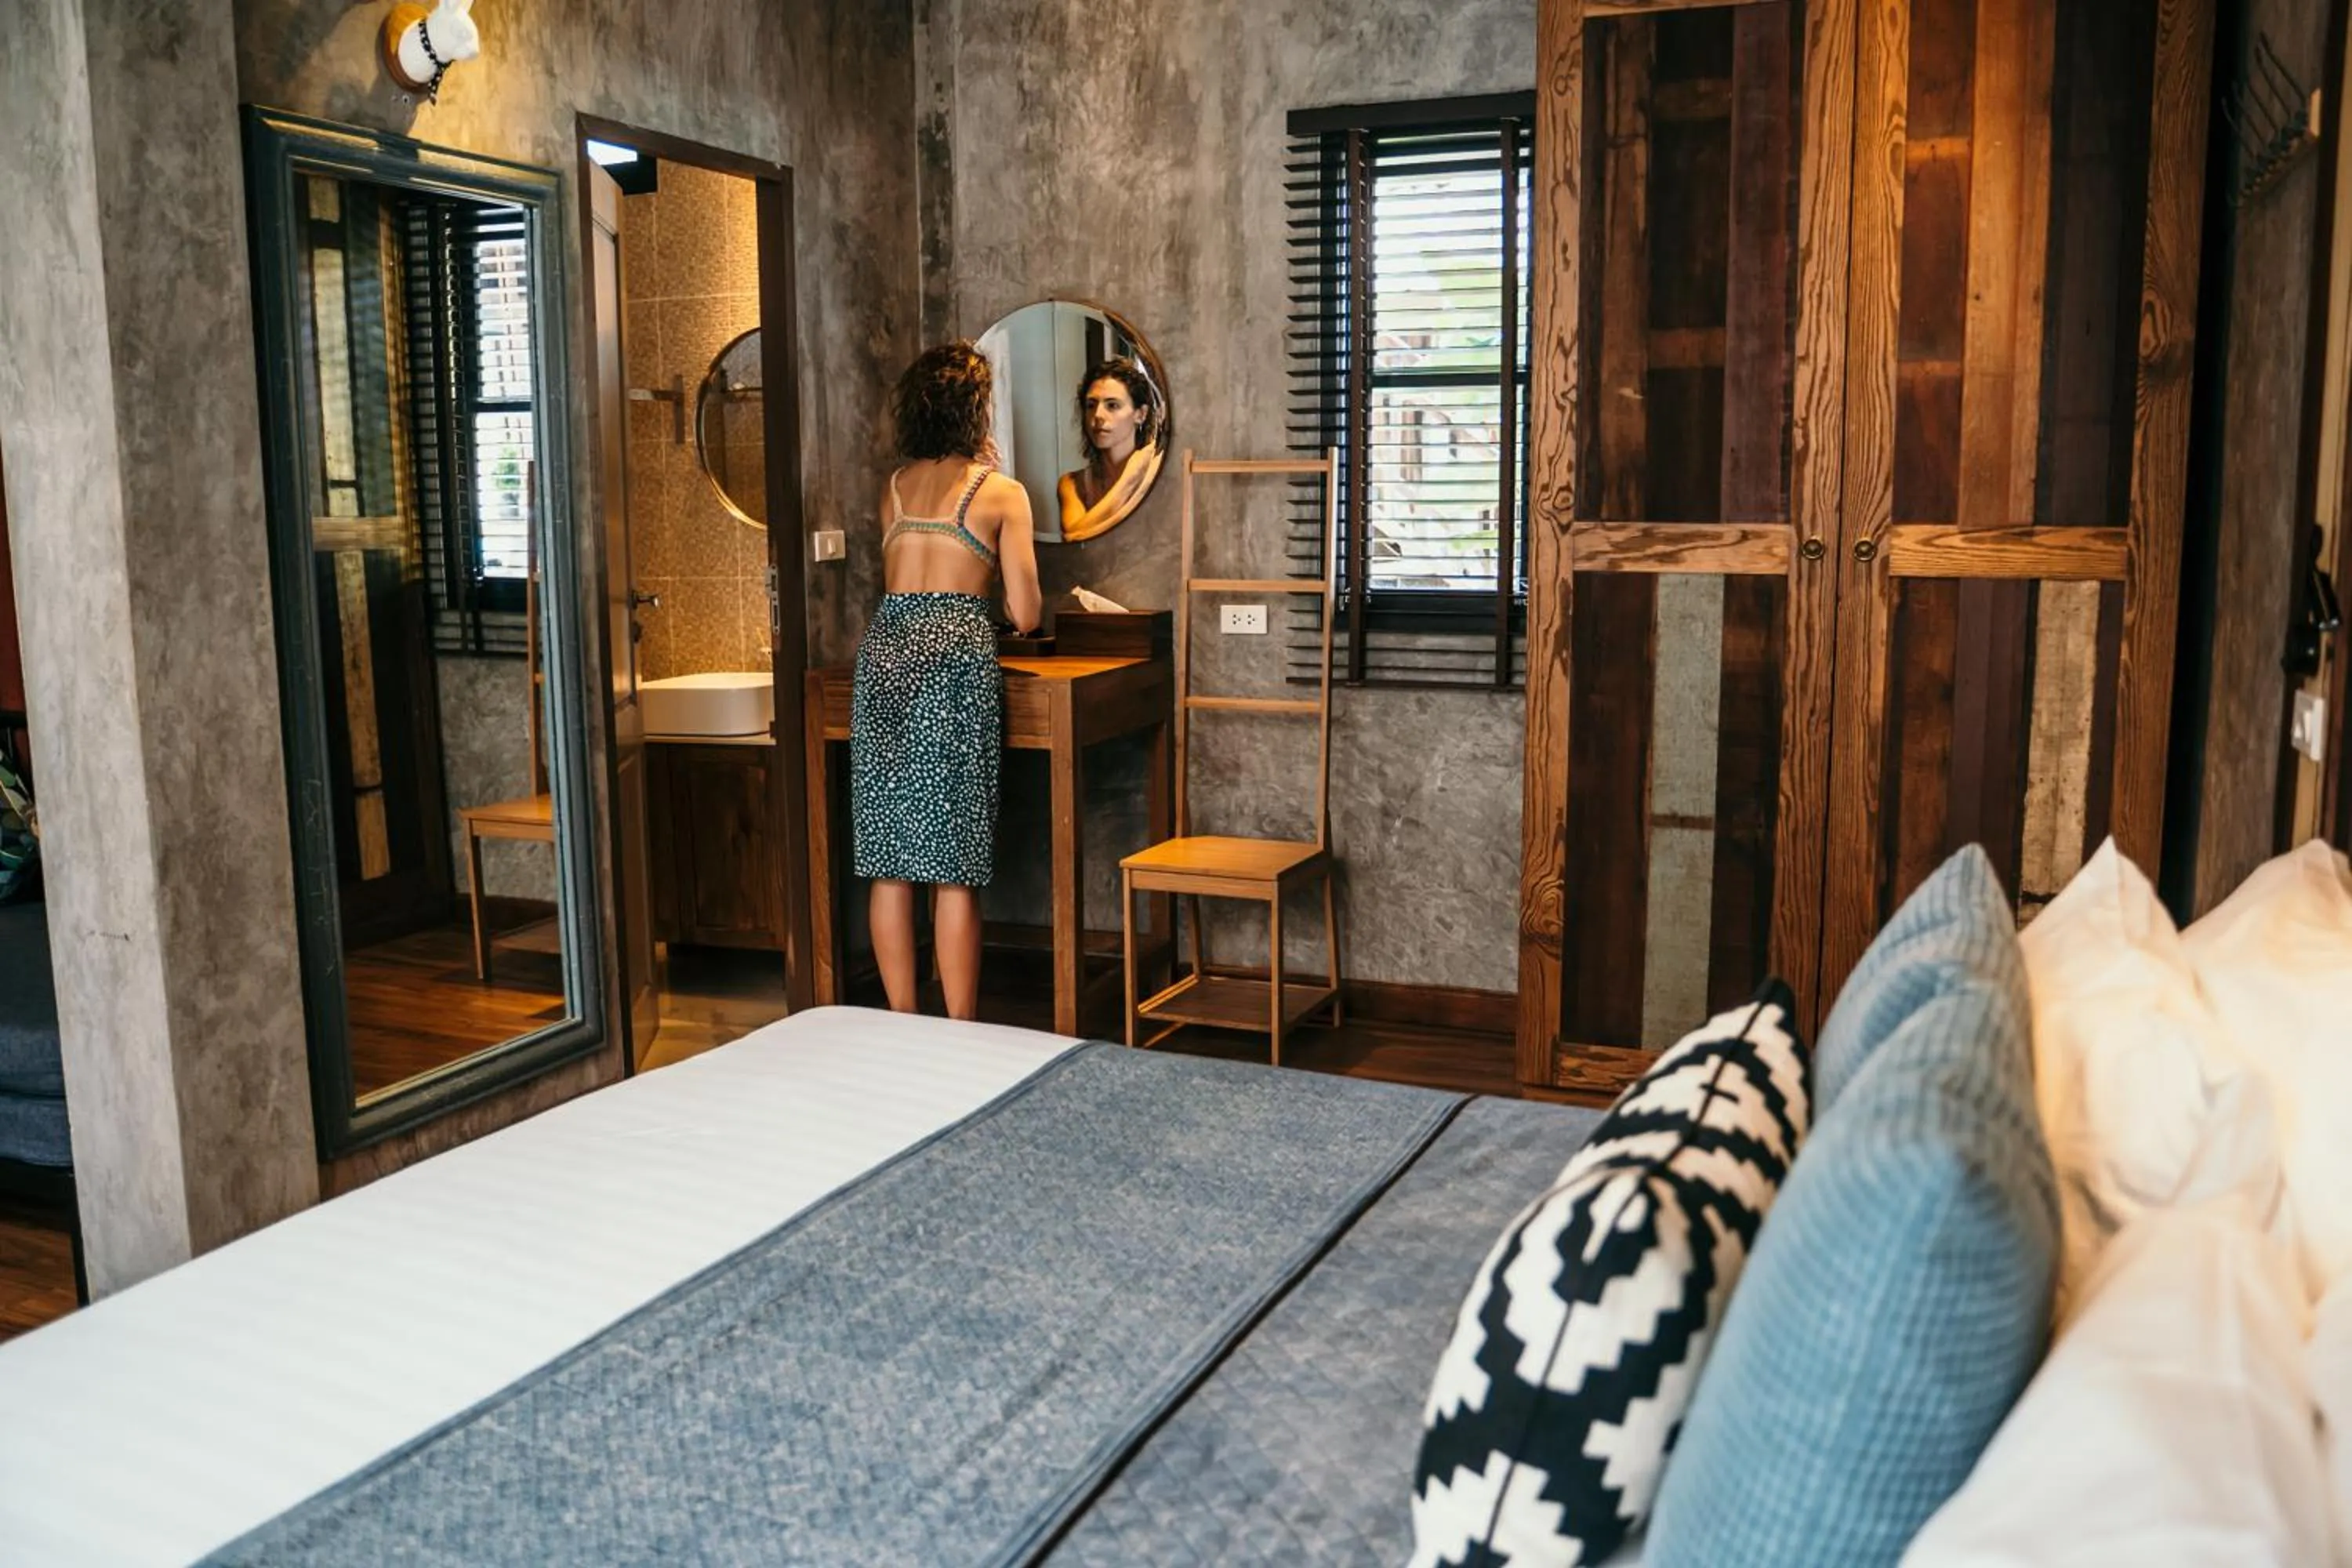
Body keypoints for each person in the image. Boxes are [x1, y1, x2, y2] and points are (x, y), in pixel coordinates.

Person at [852, 342, 1043, 1020]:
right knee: (952, 859)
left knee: (890, 854)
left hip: (882, 655)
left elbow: (902, 582)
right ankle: (958, 1032)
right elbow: (1024, 612)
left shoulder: (895, 487)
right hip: (952, 663)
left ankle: (903, 1024)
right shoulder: (1001, 493)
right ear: (977, 410)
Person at [1056, 356, 1167, 542]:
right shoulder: (1073, 484)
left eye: (1112, 405)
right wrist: (1130, 479)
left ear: (1140, 414)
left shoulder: (1159, 471)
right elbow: (1075, 536)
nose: (1098, 415)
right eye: (1091, 405)